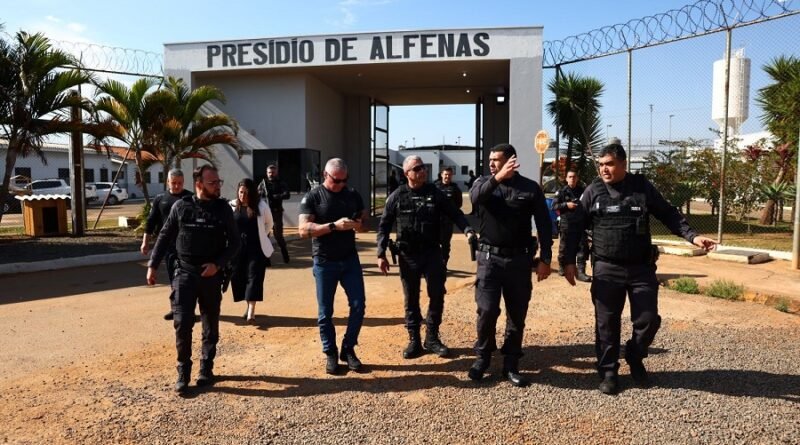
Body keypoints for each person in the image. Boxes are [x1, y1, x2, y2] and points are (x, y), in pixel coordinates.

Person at [561, 142, 716, 395]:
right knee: (606, 324)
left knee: (648, 320)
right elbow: (574, 225)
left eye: (609, 164)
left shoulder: (642, 187)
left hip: (640, 269)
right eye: (600, 165)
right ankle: (608, 372)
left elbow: (667, 213)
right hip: (607, 268)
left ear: (623, 164)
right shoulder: (593, 191)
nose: (604, 169)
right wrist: (567, 261)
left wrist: (693, 236)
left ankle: (635, 355)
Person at [146, 165, 240, 394]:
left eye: (218, 182)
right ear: (199, 184)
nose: (217, 186)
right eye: (212, 183)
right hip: (185, 274)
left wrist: (217, 264)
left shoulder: (223, 209)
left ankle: (206, 368)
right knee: (182, 322)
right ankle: (183, 371)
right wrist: (152, 265)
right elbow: (165, 236)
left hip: (211, 276)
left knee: (210, 324)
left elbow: (235, 243)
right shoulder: (181, 207)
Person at [468, 143, 553, 388]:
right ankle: (483, 358)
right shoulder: (483, 183)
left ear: (511, 161)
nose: (491, 163)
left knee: (517, 313)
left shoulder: (530, 188)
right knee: (486, 310)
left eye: (496, 159)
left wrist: (546, 259)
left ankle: (511, 363)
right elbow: (475, 199)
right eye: (490, 160)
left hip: (519, 261)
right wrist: (497, 179)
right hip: (489, 260)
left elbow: (544, 225)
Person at [377, 157, 474, 360]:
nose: (422, 171)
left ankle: (432, 337)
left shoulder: (435, 193)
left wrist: (467, 230)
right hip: (408, 256)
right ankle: (414, 340)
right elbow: (384, 226)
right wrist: (381, 253)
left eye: (423, 167)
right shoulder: (397, 196)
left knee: (437, 294)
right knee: (411, 298)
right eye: (417, 168)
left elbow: (455, 213)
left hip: (432, 253)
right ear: (407, 173)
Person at [298, 158, 369, 375]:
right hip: (324, 261)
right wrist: (333, 226)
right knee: (325, 312)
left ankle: (348, 348)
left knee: (358, 305)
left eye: (344, 180)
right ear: (325, 175)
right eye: (336, 180)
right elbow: (303, 230)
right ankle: (330, 352)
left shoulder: (352, 195)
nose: (340, 185)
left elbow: (365, 224)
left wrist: (357, 225)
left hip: (349, 259)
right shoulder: (313, 196)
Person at [140, 169, 194, 321]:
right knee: (173, 278)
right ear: (168, 182)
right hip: (168, 246)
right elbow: (151, 222)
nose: (177, 186)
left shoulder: (190, 198)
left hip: (187, 246)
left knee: (188, 280)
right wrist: (145, 242)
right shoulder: (160, 199)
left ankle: (188, 310)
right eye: (174, 183)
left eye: (180, 183)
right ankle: (175, 308)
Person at [229, 178, 274, 324]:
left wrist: (262, 235)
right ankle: (248, 305)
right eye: (241, 192)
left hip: (256, 248)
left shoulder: (261, 206)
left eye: (246, 193)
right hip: (237, 250)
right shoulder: (232, 205)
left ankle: (251, 312)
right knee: (239, 277)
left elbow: (269, 223)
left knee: (254, 277)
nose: (243, 195)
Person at [552, 169, 591, 282]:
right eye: (570, 177)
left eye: (574, 177)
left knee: (582, 247)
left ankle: (581, 272)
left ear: (577, 178)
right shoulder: (561, 192)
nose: (572, 179)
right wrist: (566, 205)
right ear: (566, 179)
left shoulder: (583, 191)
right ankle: (562, 266)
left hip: (580, 224)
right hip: (567, 224)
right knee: (564, 247)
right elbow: (554, 206)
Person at [258, 164, 291, 263]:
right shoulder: (263, 184)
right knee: (265, 235)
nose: (271, 174)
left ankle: (285, 255)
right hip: (265, 213)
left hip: (276, 212)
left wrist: (275, 196)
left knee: (278, 235)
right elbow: (257, 195)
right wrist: (263, 194)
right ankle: (266, 259)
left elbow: (287, 194)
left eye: (273, 172)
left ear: (276, 173)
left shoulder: (281, 183)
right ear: (266, 173)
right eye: (269, 172)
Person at [434, 166, 464, 268]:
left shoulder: (455, 189)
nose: (447, 177)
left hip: (447, 222)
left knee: (445, 244)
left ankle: (444, 263)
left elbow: (459, 204)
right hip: (435, 221)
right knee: (433, 243)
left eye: (450, 175)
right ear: (442, 175)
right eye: (446, 174)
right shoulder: (435, 187)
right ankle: (435, 264)